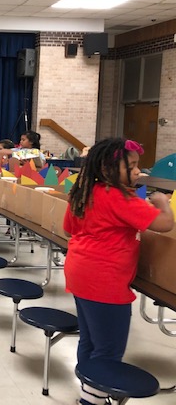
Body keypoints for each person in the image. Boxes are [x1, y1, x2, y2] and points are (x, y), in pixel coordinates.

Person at [64, 138, 173, 405]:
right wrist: (163, 203)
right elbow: (164, 224)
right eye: (131, 166)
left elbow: (69, 228)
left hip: (79, 272)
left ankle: (88, 389)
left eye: (137, 166)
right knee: (109, 349)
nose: (138, 172)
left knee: (90, 340)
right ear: (107, 168)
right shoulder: (120, 196)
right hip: (106, 281)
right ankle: (92, 400)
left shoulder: (85, 191)